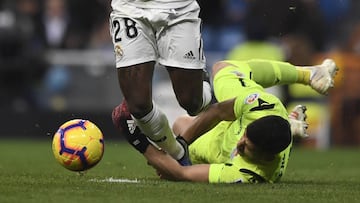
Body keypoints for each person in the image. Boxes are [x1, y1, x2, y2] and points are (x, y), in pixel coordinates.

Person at [112, 58, 338, 183]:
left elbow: (182, 174)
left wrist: (138, 140)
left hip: (219, 148)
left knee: (180, 125)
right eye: (246, 137)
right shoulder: (264, 106)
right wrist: (182, 143)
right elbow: (218, 111)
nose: (241, 143)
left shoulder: (249, 174)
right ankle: (308, 74)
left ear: (266, 157)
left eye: (247, 147)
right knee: (223, 68)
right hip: (252, 115)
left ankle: (289, 123)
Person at [109, 0, 212, 165]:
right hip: (130, 9)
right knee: (138, 106)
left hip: (178, 8)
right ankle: (179, 155)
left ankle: (205, 86)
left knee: (191, 102)